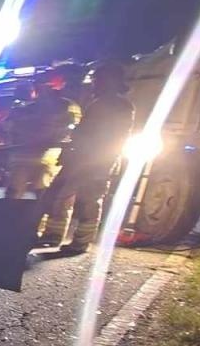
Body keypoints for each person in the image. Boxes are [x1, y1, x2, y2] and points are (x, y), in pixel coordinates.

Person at [42, 62, 134, 255]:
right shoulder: (98, 103)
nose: (95, 84)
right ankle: (53, 235)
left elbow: (107, 134)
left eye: (98, 80)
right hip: (82, 158)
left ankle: (80, 243)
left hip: (99, 160)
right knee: (61, 196)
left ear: (111, 81)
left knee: (88, 201)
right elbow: (84, 131)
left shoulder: (120, 106)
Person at [4, 68, 80, 199]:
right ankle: (11, 217)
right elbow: (11, 127)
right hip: (27, 156)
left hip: (48, 156)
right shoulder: (27, 107)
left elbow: (69, 130)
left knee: (41, 194)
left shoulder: (66, 106)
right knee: (19, 192)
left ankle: (32, 218)